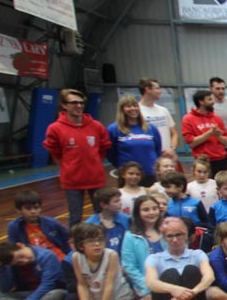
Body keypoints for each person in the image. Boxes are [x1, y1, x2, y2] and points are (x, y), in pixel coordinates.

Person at [144, 217, 218, 300]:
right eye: (170, 236)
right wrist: (174, 289)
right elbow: (150, 282)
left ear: (186, 235)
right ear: (164, 238)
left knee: (191, 270)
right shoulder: (154, 258)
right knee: (170, 274)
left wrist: (192, 292)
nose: (175, 240)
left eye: (179, 235)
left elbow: (209, 277)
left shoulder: (197, 254)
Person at [43, 88, 112, 226]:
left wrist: (94, 163)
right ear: (64, 105)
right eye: (74, 102)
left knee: (103, 215)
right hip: (72, 181)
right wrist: (69, 167)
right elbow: (55, 153)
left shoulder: (96, 126)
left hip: (96, 179)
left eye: (81, 103)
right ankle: (76, 240)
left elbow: (104, 147)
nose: (79, 106)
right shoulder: (55, 128)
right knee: (75, 218)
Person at [70, 223, 134, 300]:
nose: (97, 244)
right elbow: (82, 285)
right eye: (91, 241)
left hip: (118, 297)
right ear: (81, 246)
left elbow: (109, 285)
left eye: (100, 240)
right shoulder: (76, 257)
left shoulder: (111, 255)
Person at [121, 195, 165, 300]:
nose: (151, 213)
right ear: (137, 213)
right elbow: (130, 267)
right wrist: (146, 290)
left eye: (154, 208)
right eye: (146, 210)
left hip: (171, 280)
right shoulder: (130, 236)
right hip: (148, 285)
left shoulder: (167, 230)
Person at [107, 95, 162, 186]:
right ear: (122, 109)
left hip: (150, 173)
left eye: (135, 106)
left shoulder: (151, 128)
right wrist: (121, 167)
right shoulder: (113, 129)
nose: (133, 108)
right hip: (128, 175)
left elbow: (158, 150)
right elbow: (111, 153)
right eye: (128, 106)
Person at [7, 190, 70, 260]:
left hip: (59, 259)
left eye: (36, 208)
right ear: (19, 210)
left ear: (40, 208)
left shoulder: (52, 222)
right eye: (28, 208)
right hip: (35, 261)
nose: (33, 211)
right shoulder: (15, 227)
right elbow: (13, 249)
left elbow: (67, 240)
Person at [182, 89, 227, 174]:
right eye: (209, 99)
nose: (213, 102)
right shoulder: (188, 119)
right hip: (203, 162)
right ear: (201, 102)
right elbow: (191, 143)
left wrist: (218, 135)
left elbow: (226, 142)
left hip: (220, 159)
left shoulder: (217, 118)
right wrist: (209, 133)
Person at [138, 78, 179, 161]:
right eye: (157, 88)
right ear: (147, 89)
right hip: (148, 157)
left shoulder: (163, 110)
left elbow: (174, 133)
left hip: (166, 157)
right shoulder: (136, 111)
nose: (160, 91)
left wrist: (172, 148)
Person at [84, 187, 131, 252]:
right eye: (116, 201)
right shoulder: (90, 224)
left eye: (120, 200)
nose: (120, 203)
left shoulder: (126, 219)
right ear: (103, 205)